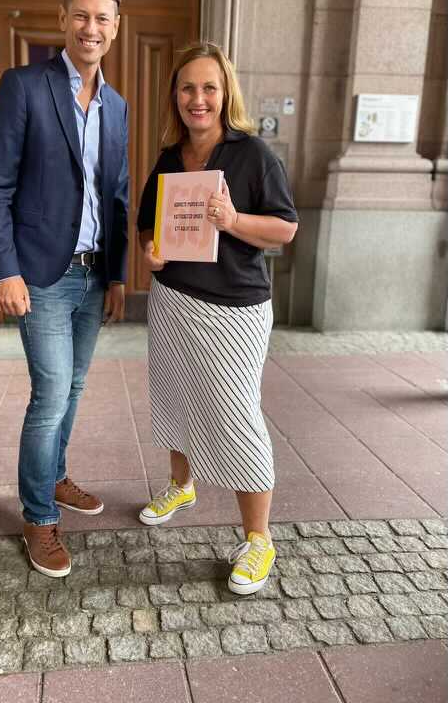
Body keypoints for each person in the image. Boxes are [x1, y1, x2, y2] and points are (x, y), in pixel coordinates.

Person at [0, 0, 128, 578]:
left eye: (103, 18)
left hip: (94, 275)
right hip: (41, 273)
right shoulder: (23, 87)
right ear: (63, 19)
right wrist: (4, 271)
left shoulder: (116, 106)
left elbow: (116, 196)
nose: (91, 27)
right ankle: (38, 516)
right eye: (82, 15)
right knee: (49, 394)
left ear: (115, 28)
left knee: (74, 387)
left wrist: (117, 276)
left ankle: (55, 475)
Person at [137, 42, 298, 595]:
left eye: (209, 87)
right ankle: (181, 485)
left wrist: (232, 220)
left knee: (236, 417)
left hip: (234, 309)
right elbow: (147, 226)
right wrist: (150, 251)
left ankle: (258, 539)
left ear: (226, 93)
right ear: (175, 96)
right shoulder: (169, 157)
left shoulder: (254, 155)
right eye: (187, 88)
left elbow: (285, 228)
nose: (198, 98)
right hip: (173, 300)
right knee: (174, 397)